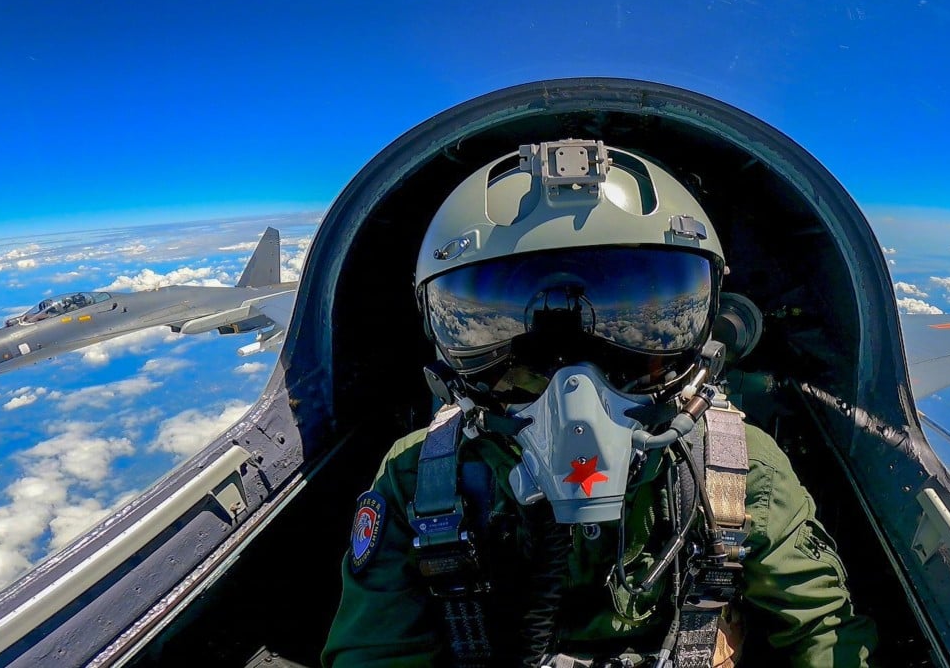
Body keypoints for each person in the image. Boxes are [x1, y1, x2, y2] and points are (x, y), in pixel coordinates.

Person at [322, 139, 878, 667]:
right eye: (527, 352)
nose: (576, 395)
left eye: (630, 337)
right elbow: (377, 653)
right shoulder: (420, 479)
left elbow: (822, 635)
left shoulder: (736, 469)